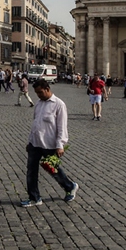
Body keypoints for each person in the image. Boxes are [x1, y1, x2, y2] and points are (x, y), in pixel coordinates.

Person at [20, 78, 78, 207]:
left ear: (47, 89)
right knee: (31, 171)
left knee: (53, 170)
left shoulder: (59, 104)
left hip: (50, 144)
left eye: (40, 92)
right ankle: (34, 197)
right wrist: (30, 142)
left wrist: (60, 145)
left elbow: (62, 126)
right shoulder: (39, 103)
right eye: (36, 93)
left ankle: (70, 186)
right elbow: (35, 124)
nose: (39, 95)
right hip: (35, 143)